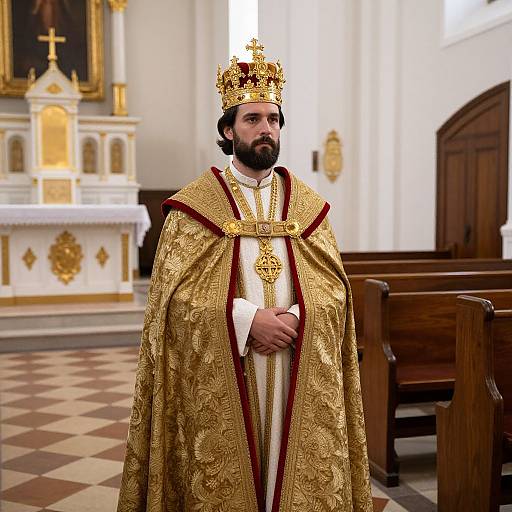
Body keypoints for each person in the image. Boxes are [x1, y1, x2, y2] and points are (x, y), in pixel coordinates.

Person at [117, 38, 373, 512]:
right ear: (229, 130)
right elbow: (171, 304)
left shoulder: (310, 208)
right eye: (252, 119)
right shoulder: (193, 209)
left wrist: (300, 316)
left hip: (296, 361)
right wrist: (245, 321)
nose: (266, 130)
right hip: (229, 370)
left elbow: (335, 290)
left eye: (273, 119)